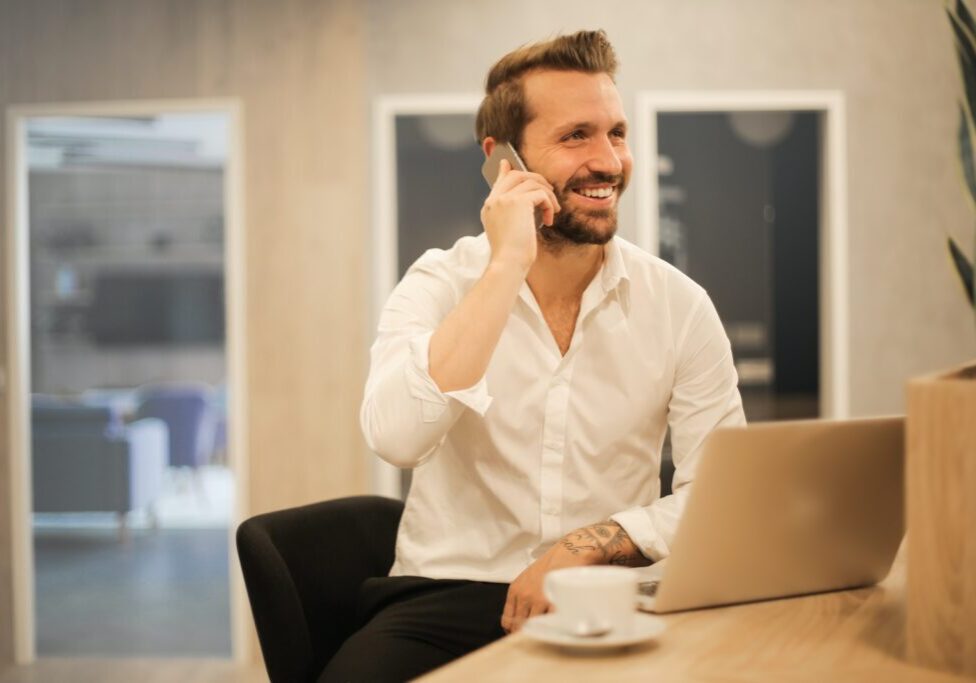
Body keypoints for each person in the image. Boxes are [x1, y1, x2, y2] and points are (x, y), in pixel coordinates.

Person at [322, 29, 745, 682]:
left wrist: (584, 545)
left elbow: (719, 495)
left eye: (617, 133)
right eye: (577, 136)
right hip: (445, 595)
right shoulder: (439, 283)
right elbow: (397, 437)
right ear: (503, 161)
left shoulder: (680, 306)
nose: (609, 161)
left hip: (609, 594)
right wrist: (507, 263)